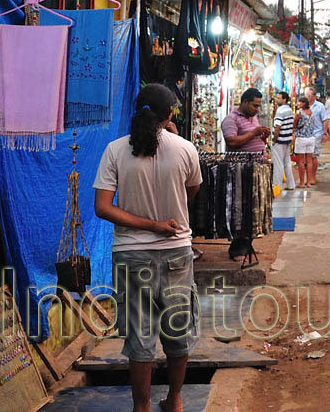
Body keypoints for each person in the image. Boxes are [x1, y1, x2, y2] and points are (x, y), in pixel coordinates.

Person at [93, 83, 201, 412]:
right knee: (178, 329)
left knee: (139, 335)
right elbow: (191, 192)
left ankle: (141, 406)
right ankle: (175, 399)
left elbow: (102, 207)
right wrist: (159, 224)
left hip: (129, 254)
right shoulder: (185, 149)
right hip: (176, 251)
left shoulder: (115, 150)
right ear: (169, 115)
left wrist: (145, 225)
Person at [220, 88, 269, 156]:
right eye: (255, 106)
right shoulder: (231, 119)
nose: (257, 109)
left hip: (259, 163)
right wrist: (254, 133)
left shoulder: (254, 118)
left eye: (258, 106)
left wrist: (263, 137)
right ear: (245, 102)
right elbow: (231, 142)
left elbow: (254, 141)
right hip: (242, 165)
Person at [270, 91, 296, 192]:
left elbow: (278, 126)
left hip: (280, 140)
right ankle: (291, 184)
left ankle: (278, 186)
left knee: (278, 163)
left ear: (284, 99)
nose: (277, 99)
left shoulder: (280, 111)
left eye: (279, 98)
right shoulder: (289, 110)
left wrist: (274, 140)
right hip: (287, 139)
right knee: (287, 162)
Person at [293, 94, 320, 188]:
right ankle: (308, 182)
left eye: (299, 102)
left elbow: (294, 124)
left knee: (301, 161)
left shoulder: (299, 113)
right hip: (311, 138)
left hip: (301, 138)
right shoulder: (312, 113)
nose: (297, 104)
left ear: (303, 103)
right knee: (309, 161)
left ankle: (301, 182)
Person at [305, 87, 330, 187]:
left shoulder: (320, 106)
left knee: (314, 156)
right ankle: (309, 177)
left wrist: (325, 133)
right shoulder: (304, 106)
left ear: (314, 96)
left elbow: (325, 120)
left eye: (309, 95)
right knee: (307, 157)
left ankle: (313, 177)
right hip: (306, 134)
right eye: (306, 95)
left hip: (317, 134)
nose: (307, 97)